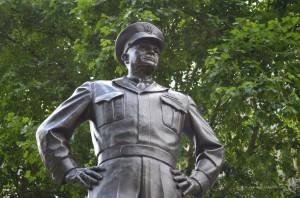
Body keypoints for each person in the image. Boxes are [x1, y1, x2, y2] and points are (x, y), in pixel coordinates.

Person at [36, 22, 224, 198]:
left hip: (166, 186)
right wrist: (68, 170)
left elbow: (212, 147)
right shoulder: (95, 90)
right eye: (142, 47)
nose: (151, 52)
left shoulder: (181, 100)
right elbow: (49, 130)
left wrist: (199, 179)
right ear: (126, 57)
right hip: (110, 182)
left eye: (155, 50)